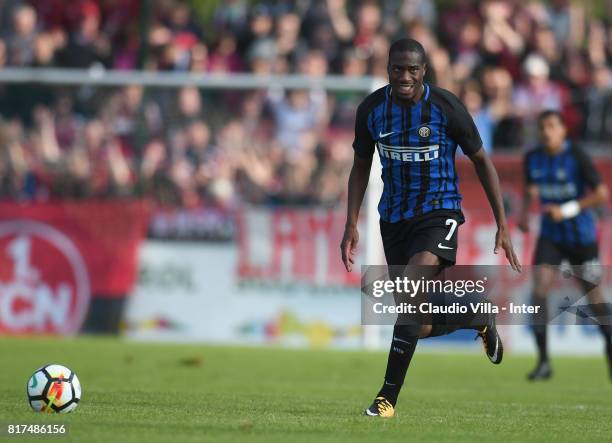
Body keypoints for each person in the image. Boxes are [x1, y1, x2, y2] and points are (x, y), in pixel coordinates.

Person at [341, 38, 520, 418]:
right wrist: (350, 221)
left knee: (408, 292)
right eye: (397, 69)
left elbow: (482, 161)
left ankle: (386, 399)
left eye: (413, 70)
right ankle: (477, 315)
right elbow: (360, 164)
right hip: (393, 219)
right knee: (416, 322)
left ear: (424, 71)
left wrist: (502, 223)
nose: (405, 76)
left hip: (439, 214)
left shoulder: (445, 107)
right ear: (388, 69)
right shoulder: (372, 109)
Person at [518, 110, 612, 381]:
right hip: (551, 236)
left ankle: (609, 349)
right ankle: (544, 361)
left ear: (562, 130)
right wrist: (524, 212)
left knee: (594, 299)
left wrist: (568, 209)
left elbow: (601, 194)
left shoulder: (577, 156)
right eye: (542, 127)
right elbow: (531, 188)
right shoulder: (532, 157)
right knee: (539, 290)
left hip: (581, 238)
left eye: (551, 126)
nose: (546, 132)